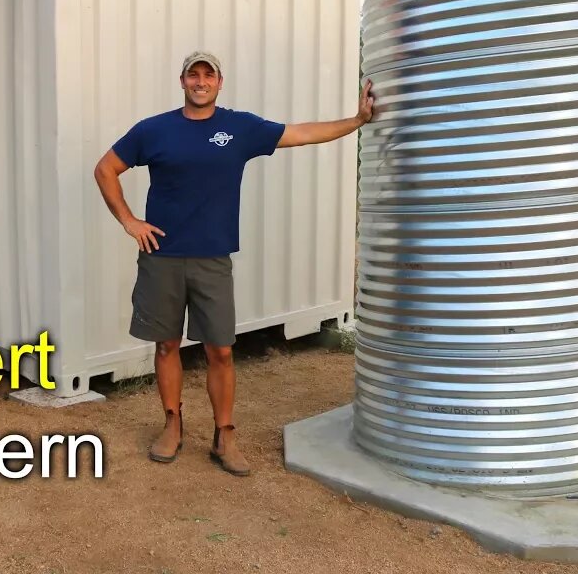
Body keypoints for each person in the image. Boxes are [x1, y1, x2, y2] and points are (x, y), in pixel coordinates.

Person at [93, 51, 374, 476]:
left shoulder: (239, 127)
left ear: (219, 83)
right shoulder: (154, 130)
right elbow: (105, 169)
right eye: (193, 74)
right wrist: (130, 221)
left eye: (208, 75)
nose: (200, 81)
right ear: (183, 81)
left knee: (220, 350)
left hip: (212, 259)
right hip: (161, 257)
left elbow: (300, 134)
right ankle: (173, 425)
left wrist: (355, 121)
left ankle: (225, 435)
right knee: (167, 344)